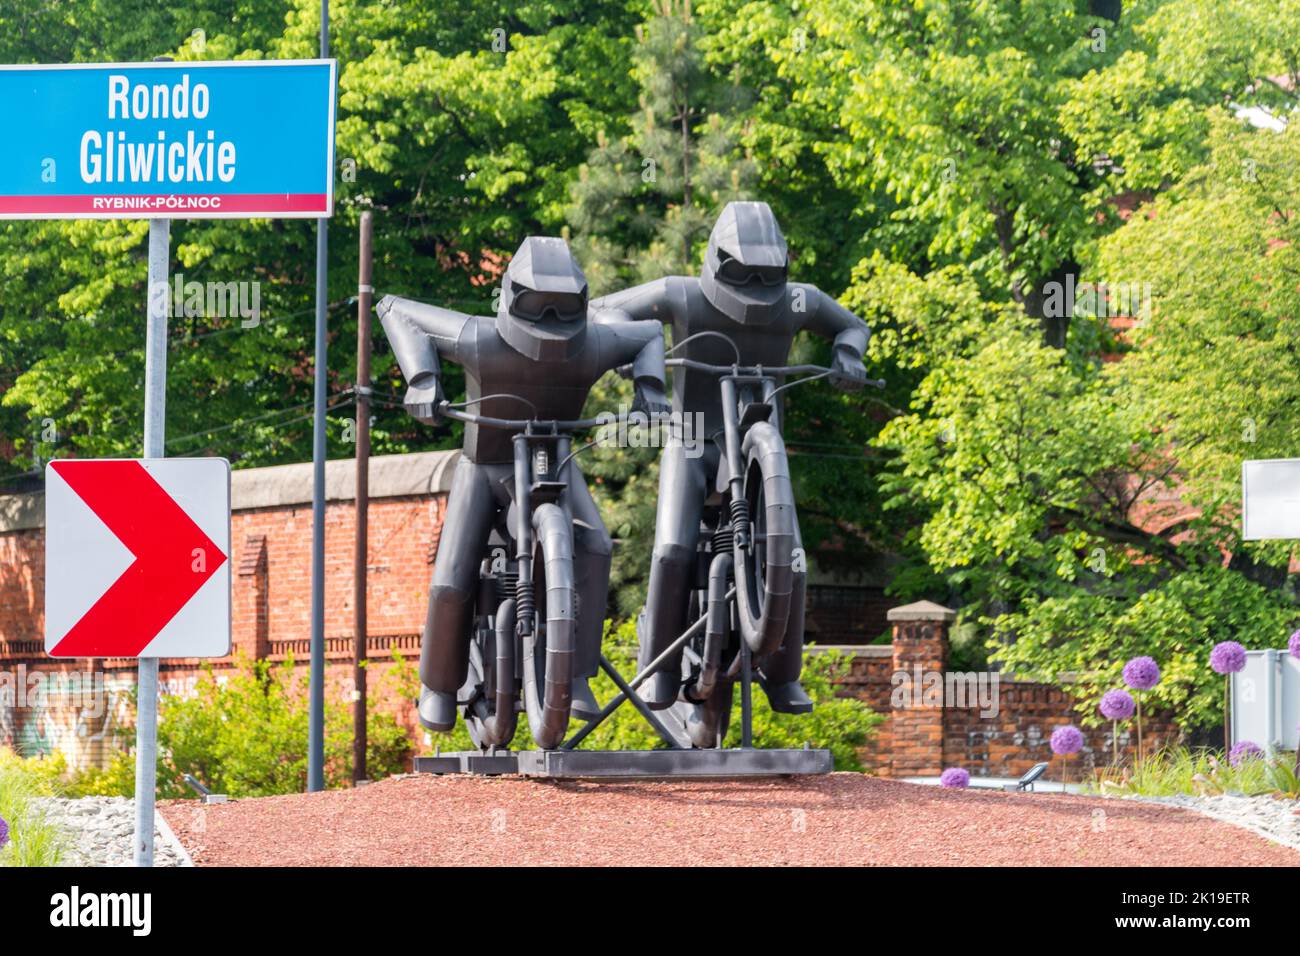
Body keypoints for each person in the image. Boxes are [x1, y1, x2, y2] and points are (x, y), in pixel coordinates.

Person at [379, 236, 668, 732]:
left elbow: (647, 335)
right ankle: (439, 685)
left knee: (596, 544)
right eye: (539, 305)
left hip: (554, 458)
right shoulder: (479, 337)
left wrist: (651, 389)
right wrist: (423, 377)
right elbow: (394, 309)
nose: (551, 318)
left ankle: (575, 674)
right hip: (484, 466)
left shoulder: (593, 342)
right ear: (511, 297)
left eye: (562, 307)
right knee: (452, 576)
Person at [591, 201, 870, 713]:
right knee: (672, 548)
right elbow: (604, 309)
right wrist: (632, 351)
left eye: (767, 273)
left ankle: (784, 675)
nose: (756, 284)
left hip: (763, 449)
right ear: (718, 260)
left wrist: (847, 355)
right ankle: (660, 668)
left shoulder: (800, 302)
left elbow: (853, 326)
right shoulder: (682, 294)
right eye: (744, 271)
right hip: (693, 440)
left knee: (793, 558)